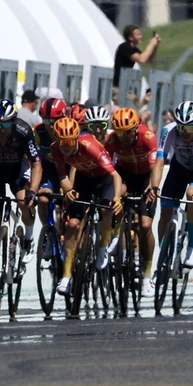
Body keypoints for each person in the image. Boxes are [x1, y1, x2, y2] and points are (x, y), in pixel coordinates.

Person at [0, 99, 43, 301]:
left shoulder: (23, 130)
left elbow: (37, 165)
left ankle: (28, 238)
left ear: (13, 122)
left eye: (6, 124)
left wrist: (33, 191)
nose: (2, 128)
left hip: (17, 170)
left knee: (24, 202)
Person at [50, 117, 124, 298]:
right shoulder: (55, 149)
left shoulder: (90, 146)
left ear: (76, 138)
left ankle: (101, 247)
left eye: (69, 142)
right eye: (62, 142)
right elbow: (62, 176)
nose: (65, 147)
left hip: (104, 180)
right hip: (84, 180)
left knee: (107, 210)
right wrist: (67, 190)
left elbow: (115, 176)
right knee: (73, 224)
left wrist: (116, 198)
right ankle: (66, 276)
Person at [153, 101, 193, 270]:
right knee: (165, 211)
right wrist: (154, 186)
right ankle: (164, 254)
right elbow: (159, 163)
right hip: (178, 169)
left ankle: (191, 247)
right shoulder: (169, 131)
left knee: (191, 195)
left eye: (189, 128)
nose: (184, 133)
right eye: (181, 128)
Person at [104, 106, 158, 283]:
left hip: (145, 178)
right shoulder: (111, 140)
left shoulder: (148, 137)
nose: (124, 137)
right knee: (117, 194)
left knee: (145, 225)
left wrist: (151, 188)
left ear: (136, 128)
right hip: (124, 176)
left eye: (128, 132)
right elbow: (107, 168)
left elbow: (155, 168)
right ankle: (116, 233)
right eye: (120, 132)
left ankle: (147, 272)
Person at [113, 25, 161, 89]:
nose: (141, 37)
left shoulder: (134, 49)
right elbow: (141, 59)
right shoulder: (124, 47)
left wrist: (155, 46)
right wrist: (151, 44)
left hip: (126, 85)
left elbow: (149, 60)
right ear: (130, 37)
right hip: (119, 86)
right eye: (138, 35)